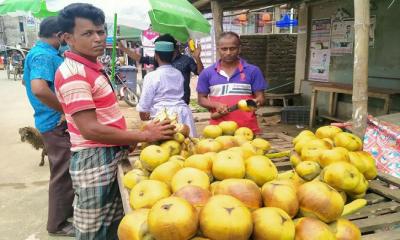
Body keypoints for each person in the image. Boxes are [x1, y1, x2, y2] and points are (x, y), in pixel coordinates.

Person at [55, 3, 175, 239]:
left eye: (101, 31)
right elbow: (90, 129)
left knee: (114, 223)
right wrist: (144, 135)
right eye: (88, 33)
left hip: (109, 151)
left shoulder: (91, 66)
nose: (98, 38)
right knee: (94, 230)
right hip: (94, 158)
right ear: (68, 38)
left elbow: (103, 117)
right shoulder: (73, 74)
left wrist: (125, 138)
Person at [22, 16, 74, 237]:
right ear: (59, 35)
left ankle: (64, 215)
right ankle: (58, 223)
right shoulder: (43, 55)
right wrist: (65, 109)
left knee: (63, 170)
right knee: (62, 172)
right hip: (54, 122)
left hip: (51, 119)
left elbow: (26, 81)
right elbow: (38, 88)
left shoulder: (44, 53)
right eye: (65, 36)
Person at [196, 31, 267, 133]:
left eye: (232, 48)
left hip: (247, 129)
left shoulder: (253, 71)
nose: (228, 52)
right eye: (224, 49)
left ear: (239, 49)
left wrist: (256, 102)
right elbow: (201, 99)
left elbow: (261, 97)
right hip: (218, 130)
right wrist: (216, 105)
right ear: (218, 49)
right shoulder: (207, 73)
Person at [119, 34, 204, 104]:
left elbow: (200, 73)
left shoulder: (186, 60)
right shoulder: (159, 59)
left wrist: (197, 58)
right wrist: (124, 49)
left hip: (181, 103)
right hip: (161, 105)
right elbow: (141, 59)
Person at [136, 41, 197, 137]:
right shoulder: (178, 73)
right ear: (173, 55)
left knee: (166, 148)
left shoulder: (152, 76)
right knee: (186, 146)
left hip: (163, 117)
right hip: (183, 114)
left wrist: (143, 113)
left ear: (156, 56)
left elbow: (145, 101)